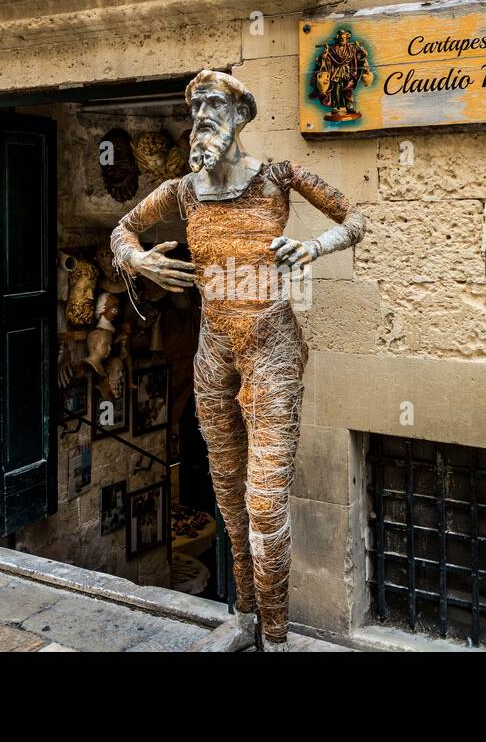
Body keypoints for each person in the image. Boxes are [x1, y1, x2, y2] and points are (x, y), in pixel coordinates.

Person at [110, 70, 366, 651]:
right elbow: (122, 230)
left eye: (214, 103)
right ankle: (246, 616)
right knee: (227, 494)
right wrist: (140, 262)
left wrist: (313, 247)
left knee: (266, 501)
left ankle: (275, 637)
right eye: (195, 104)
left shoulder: (278, 177)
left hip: (272, 347)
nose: (202, 113)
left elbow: (355, 218)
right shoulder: (181, 190)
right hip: (213, 352)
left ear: (241, 114)